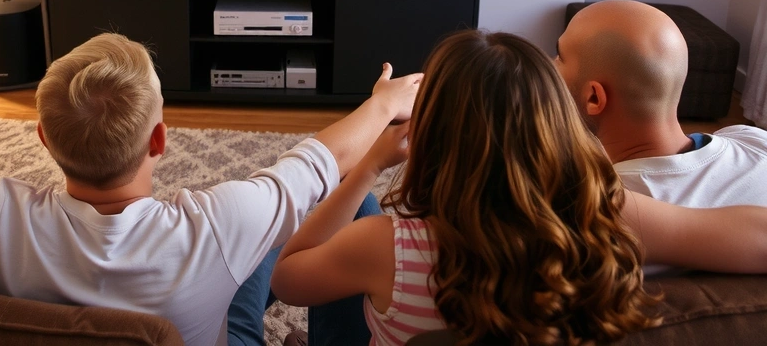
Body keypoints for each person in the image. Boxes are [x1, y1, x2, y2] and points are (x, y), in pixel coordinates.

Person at [0, 32, 421, 346]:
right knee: (345, 203)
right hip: (213, 321)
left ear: (42, 139)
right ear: (160, 141)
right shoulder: (223, 219)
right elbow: (317, 161)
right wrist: (383, 102)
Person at [270, 30, 767, 346]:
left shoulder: (385, 244)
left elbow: (287, 278)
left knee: (304, 213)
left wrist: (369, 164)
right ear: (557, 126)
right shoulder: (603, 214)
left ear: (433, 132)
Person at [555, 0, 767, 207]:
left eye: (559, 57)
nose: (550, 65)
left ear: (594, 97)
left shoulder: (600, 210)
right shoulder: (752, 140)